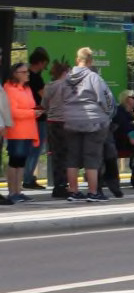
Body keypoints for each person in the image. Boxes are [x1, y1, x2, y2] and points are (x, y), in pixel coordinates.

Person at [61, 48, 116, 203]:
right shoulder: (94, 77)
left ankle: (73, 191)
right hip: (93, 122)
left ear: (77, 60)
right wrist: (108, 115)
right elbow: (106, 99)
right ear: (90, 61)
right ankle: (93, 193)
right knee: (92, 157)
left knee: (72, 157)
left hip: (71, 121)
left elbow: (61, 99)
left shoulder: (66, 79)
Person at [3, 62, 38, 206]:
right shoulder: (9, 88)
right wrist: (32, 113)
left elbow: (30, 105)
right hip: (16, 131)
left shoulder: (27, 88)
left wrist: (35, 111)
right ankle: (12, 192)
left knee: (21, 162)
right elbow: (13, 111)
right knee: (15, 162)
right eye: (23, 72)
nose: (27, 74)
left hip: (28, 129)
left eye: (27, 72)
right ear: (15, 74)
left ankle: (18, 190)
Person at [40, 61, 70, 199]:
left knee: (56, 155)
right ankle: (65, 184)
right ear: (64, 72)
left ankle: (59, 185)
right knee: (67, 155)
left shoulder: (49, 86)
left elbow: (44, 104)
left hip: (52, 122)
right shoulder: (68, 86)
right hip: (66, 121)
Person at [22, 47, 48, 189]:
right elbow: (44, 95)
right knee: (36, 148)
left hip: (27, 116)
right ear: (40, 62)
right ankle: (28, 178)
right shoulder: (36, 77)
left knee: (28, 148)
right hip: (38, 116)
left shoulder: (26, 76)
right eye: (44, 63)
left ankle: (27, 176)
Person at [108, 92, 134, 191]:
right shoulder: (120, 112)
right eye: (133, 97)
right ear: (127, 99)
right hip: (121, 143)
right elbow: (127, 128)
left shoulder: (128, 112)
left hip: (124, 142)